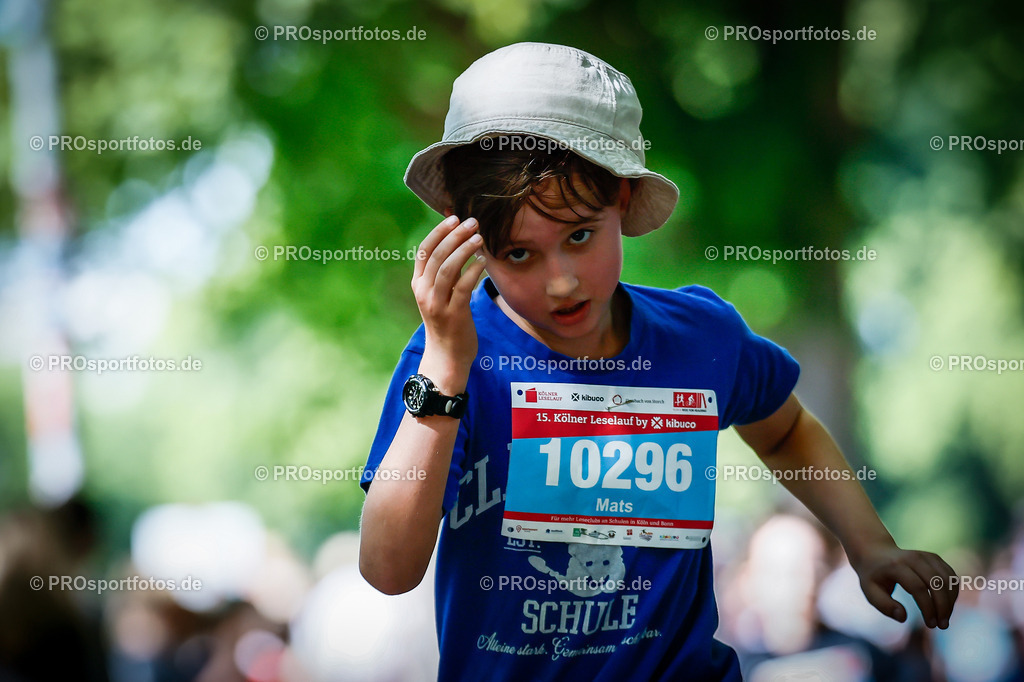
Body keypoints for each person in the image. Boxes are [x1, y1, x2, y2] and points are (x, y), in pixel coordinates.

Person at [358, 42, 957, 680]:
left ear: (621, 197)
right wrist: (446, 374)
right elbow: (388, 570)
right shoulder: (445, 360)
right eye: (518, 254)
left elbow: (786, 431)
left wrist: (867, 543)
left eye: (579, 236)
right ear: (468, 238)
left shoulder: (702, 337)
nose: (560, 282)